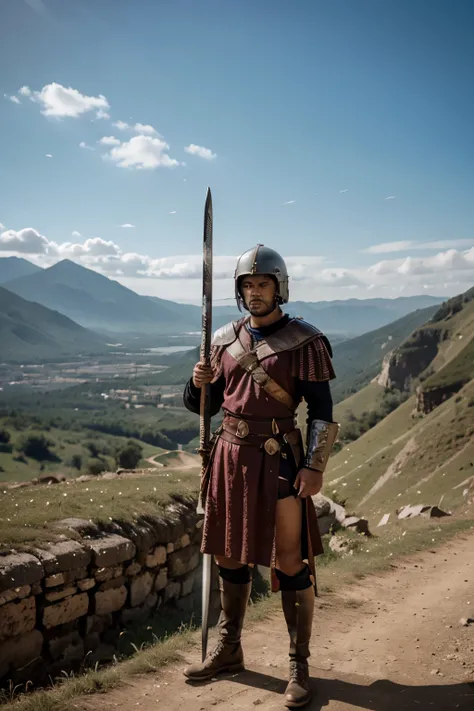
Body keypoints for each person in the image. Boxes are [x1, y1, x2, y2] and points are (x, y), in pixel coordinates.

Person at [182, 244, 339, 708]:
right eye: (247, 285)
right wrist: (197, 381)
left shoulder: (304, 341)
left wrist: (314, 466)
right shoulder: (224, 339)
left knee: (289, 560)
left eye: (263, 284)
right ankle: (229, 651)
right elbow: (199, 406)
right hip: (228, 457)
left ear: (279, 288)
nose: (255, 293)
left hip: (278, 458)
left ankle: (299, 666)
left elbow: (323, 412)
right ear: (239, 291)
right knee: (230, 556)